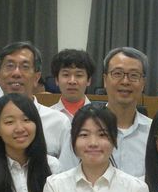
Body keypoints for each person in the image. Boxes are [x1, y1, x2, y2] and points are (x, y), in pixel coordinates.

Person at [58, 47, 152, 177]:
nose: (125, 81)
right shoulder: (80, 129)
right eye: (117, 73)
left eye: (134, 75)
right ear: (105, 80)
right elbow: (65, 178)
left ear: (143, 83)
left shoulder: (154, 132)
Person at [0, 41, 70, 160]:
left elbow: (67, 169)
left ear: (36, 77)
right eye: (10, 66)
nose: (16, 73)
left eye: (25, 67)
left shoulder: (58, 122)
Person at [51, 49, 96, 120]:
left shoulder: (99, 116)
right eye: (66, 74)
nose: (72, 81)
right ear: (57, 80)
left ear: (89, 80)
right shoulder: (47, 116)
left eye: (79, 75)